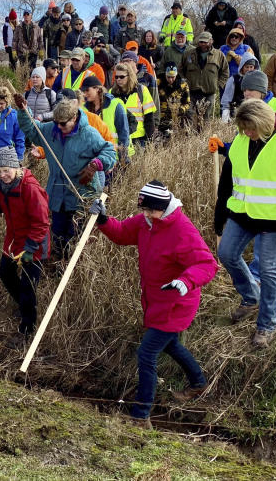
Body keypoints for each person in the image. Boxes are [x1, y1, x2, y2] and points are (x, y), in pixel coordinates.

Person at [90, 181, 218, 427]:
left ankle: (141, 415)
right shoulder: (145, 222)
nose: (146, 215)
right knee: (170, 345)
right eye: (144, 210)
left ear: (163, 206)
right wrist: (104, 220)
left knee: (147, 353)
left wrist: (185, 281)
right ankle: (199, 383)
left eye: (151, 210)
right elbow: (123, 233)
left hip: (176, 303)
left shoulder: (181, 229)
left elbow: (207, 264)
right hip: (156, 299)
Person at [215, 99, 276, 348]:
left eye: (252, 128)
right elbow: (227, 181)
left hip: (275, 220)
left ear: (265, 123)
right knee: (226, 253)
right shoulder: (239, 141)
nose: (248, 133)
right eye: (244, 128)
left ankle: (266, 326)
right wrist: (220, 214)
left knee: (269, 270)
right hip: (242, 214)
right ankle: (251, 296)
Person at [12, 95, 116, 258]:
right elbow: (32, 129)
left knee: (78, 238)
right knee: (58, 235)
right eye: (56, 122)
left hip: (82, 195)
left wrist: (94, 165)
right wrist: (23, 110)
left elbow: (109, 151)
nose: (59, 127)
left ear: (74, 118)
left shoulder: (88, 134)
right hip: (57, 197)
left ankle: (77, 270)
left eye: (63, 123)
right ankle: (58, 265)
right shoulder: (51, 130)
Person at [0, 146, 50, 345]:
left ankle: (27, 328)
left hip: (34, 245)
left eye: (6, 170)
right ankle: (23, 306)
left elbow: (41, 222)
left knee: (27, 285)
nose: (3, 175)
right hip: (13, 242)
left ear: (16, 167)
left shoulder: (30, 188)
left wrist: (30, 250)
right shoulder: (2, 186)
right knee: (5, 273)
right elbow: (1, 207)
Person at [179, 31, 229, 131]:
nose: (203, 44)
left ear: (211, 41)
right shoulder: (188, 54)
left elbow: (225, 72)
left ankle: (203, 140)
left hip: (209, 93)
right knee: (189, 117)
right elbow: (180, 69)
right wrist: (184, 83)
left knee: (206, 120)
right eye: (201, 42)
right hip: (191, 92)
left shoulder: (219, 55)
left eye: (205, 42)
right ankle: (190, 139)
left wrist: (218, 85)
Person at [81, 75, 131, 163]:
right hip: (92, 160)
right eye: (83, 91)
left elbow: (124, 132)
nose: (84, 94)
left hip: (113, 157)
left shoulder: (115, 105)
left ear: (97, 89)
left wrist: (123, 157)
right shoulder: (83, 108)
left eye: (87, 90)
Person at [111, 61, 156, 151]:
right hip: (118, 139)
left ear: (129, 76)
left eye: (122, 77)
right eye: (116, 77)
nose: (118, 79)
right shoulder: (111, 93)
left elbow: (149, 118)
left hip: (138, 139)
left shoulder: (142, 90)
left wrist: (150, 141)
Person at [220, 52, 259, 122]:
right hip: (236, 114)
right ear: (242, 67)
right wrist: (225, 114)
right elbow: (226, 98)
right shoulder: (234, 79)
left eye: (251, 67)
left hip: (253, 114)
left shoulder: (258, 80)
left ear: (254, 67)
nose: (249, 69)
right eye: (247, 67)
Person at [158, 64, 191, 137]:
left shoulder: (183, 85)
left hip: (177, 118)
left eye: (173, 77)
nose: (170, 80)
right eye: (168, 77)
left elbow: (188, 103)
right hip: (162, 118)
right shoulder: (158, 83)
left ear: (176, 75)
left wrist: (182, 109)